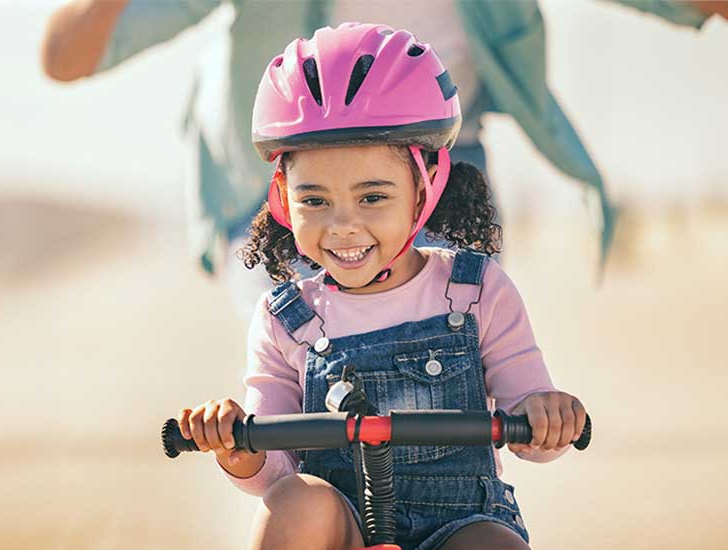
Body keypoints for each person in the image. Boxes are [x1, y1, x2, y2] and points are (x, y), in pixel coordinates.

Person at [176, 24, 588, 550]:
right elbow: (273, 471)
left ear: (425, 186)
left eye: (372, 197)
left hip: (461, 524)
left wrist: (547, 415)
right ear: (282, 196)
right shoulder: (286, 317)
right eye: (315, 200)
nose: (342, 226)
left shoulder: (476, 290)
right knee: (297, 503)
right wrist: (238, 447)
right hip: (339, 529)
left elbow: (527, 420)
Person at [41, 1, 726, 319]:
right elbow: (64, 57)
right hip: (278, 187)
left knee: (448, 369)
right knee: (306, 378)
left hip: (436, 176)